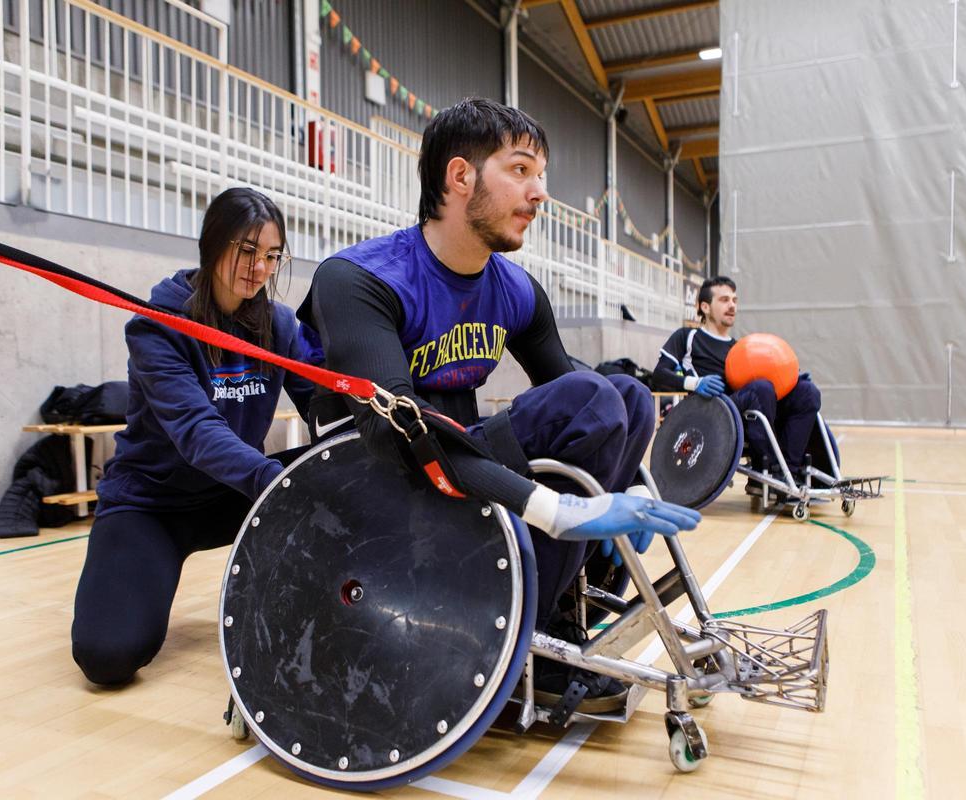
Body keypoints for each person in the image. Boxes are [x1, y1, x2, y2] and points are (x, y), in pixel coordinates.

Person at [297, 98, 700, 717]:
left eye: (541, 175)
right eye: (520, 170)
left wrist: (629, 484)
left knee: (628, 397)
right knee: (597, 397)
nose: (539, 193)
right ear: (460, 177)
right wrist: (558, 509)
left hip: (464, 456)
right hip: (379, 481)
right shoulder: (359, 278)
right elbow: (400, 439)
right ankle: (511, 647)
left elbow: (585, 403)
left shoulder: (515, 289)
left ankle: (557, 612)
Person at [71, 188, 313, 686]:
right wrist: (275, 481)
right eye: (247, 251)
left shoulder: (279, 327)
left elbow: (322, 403)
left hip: (232, 496)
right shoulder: (157, 328)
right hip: (152, 504)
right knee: (106, 657)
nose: (260, 268)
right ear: (212, 244)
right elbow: (198, 433)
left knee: (337, 473)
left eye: (271, 256)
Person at [652, 276, 822, 487]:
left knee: (806, 392)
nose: (732, 305)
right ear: (705, 306)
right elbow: (658, 376)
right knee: (762, 389)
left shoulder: (741, 347)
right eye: (724, 300)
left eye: (734, 300)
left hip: (742, 409)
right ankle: (769, 468)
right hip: (709, 413)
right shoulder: (687, 337)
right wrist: (695, 383)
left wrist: (790, 382)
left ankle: (789, 472)